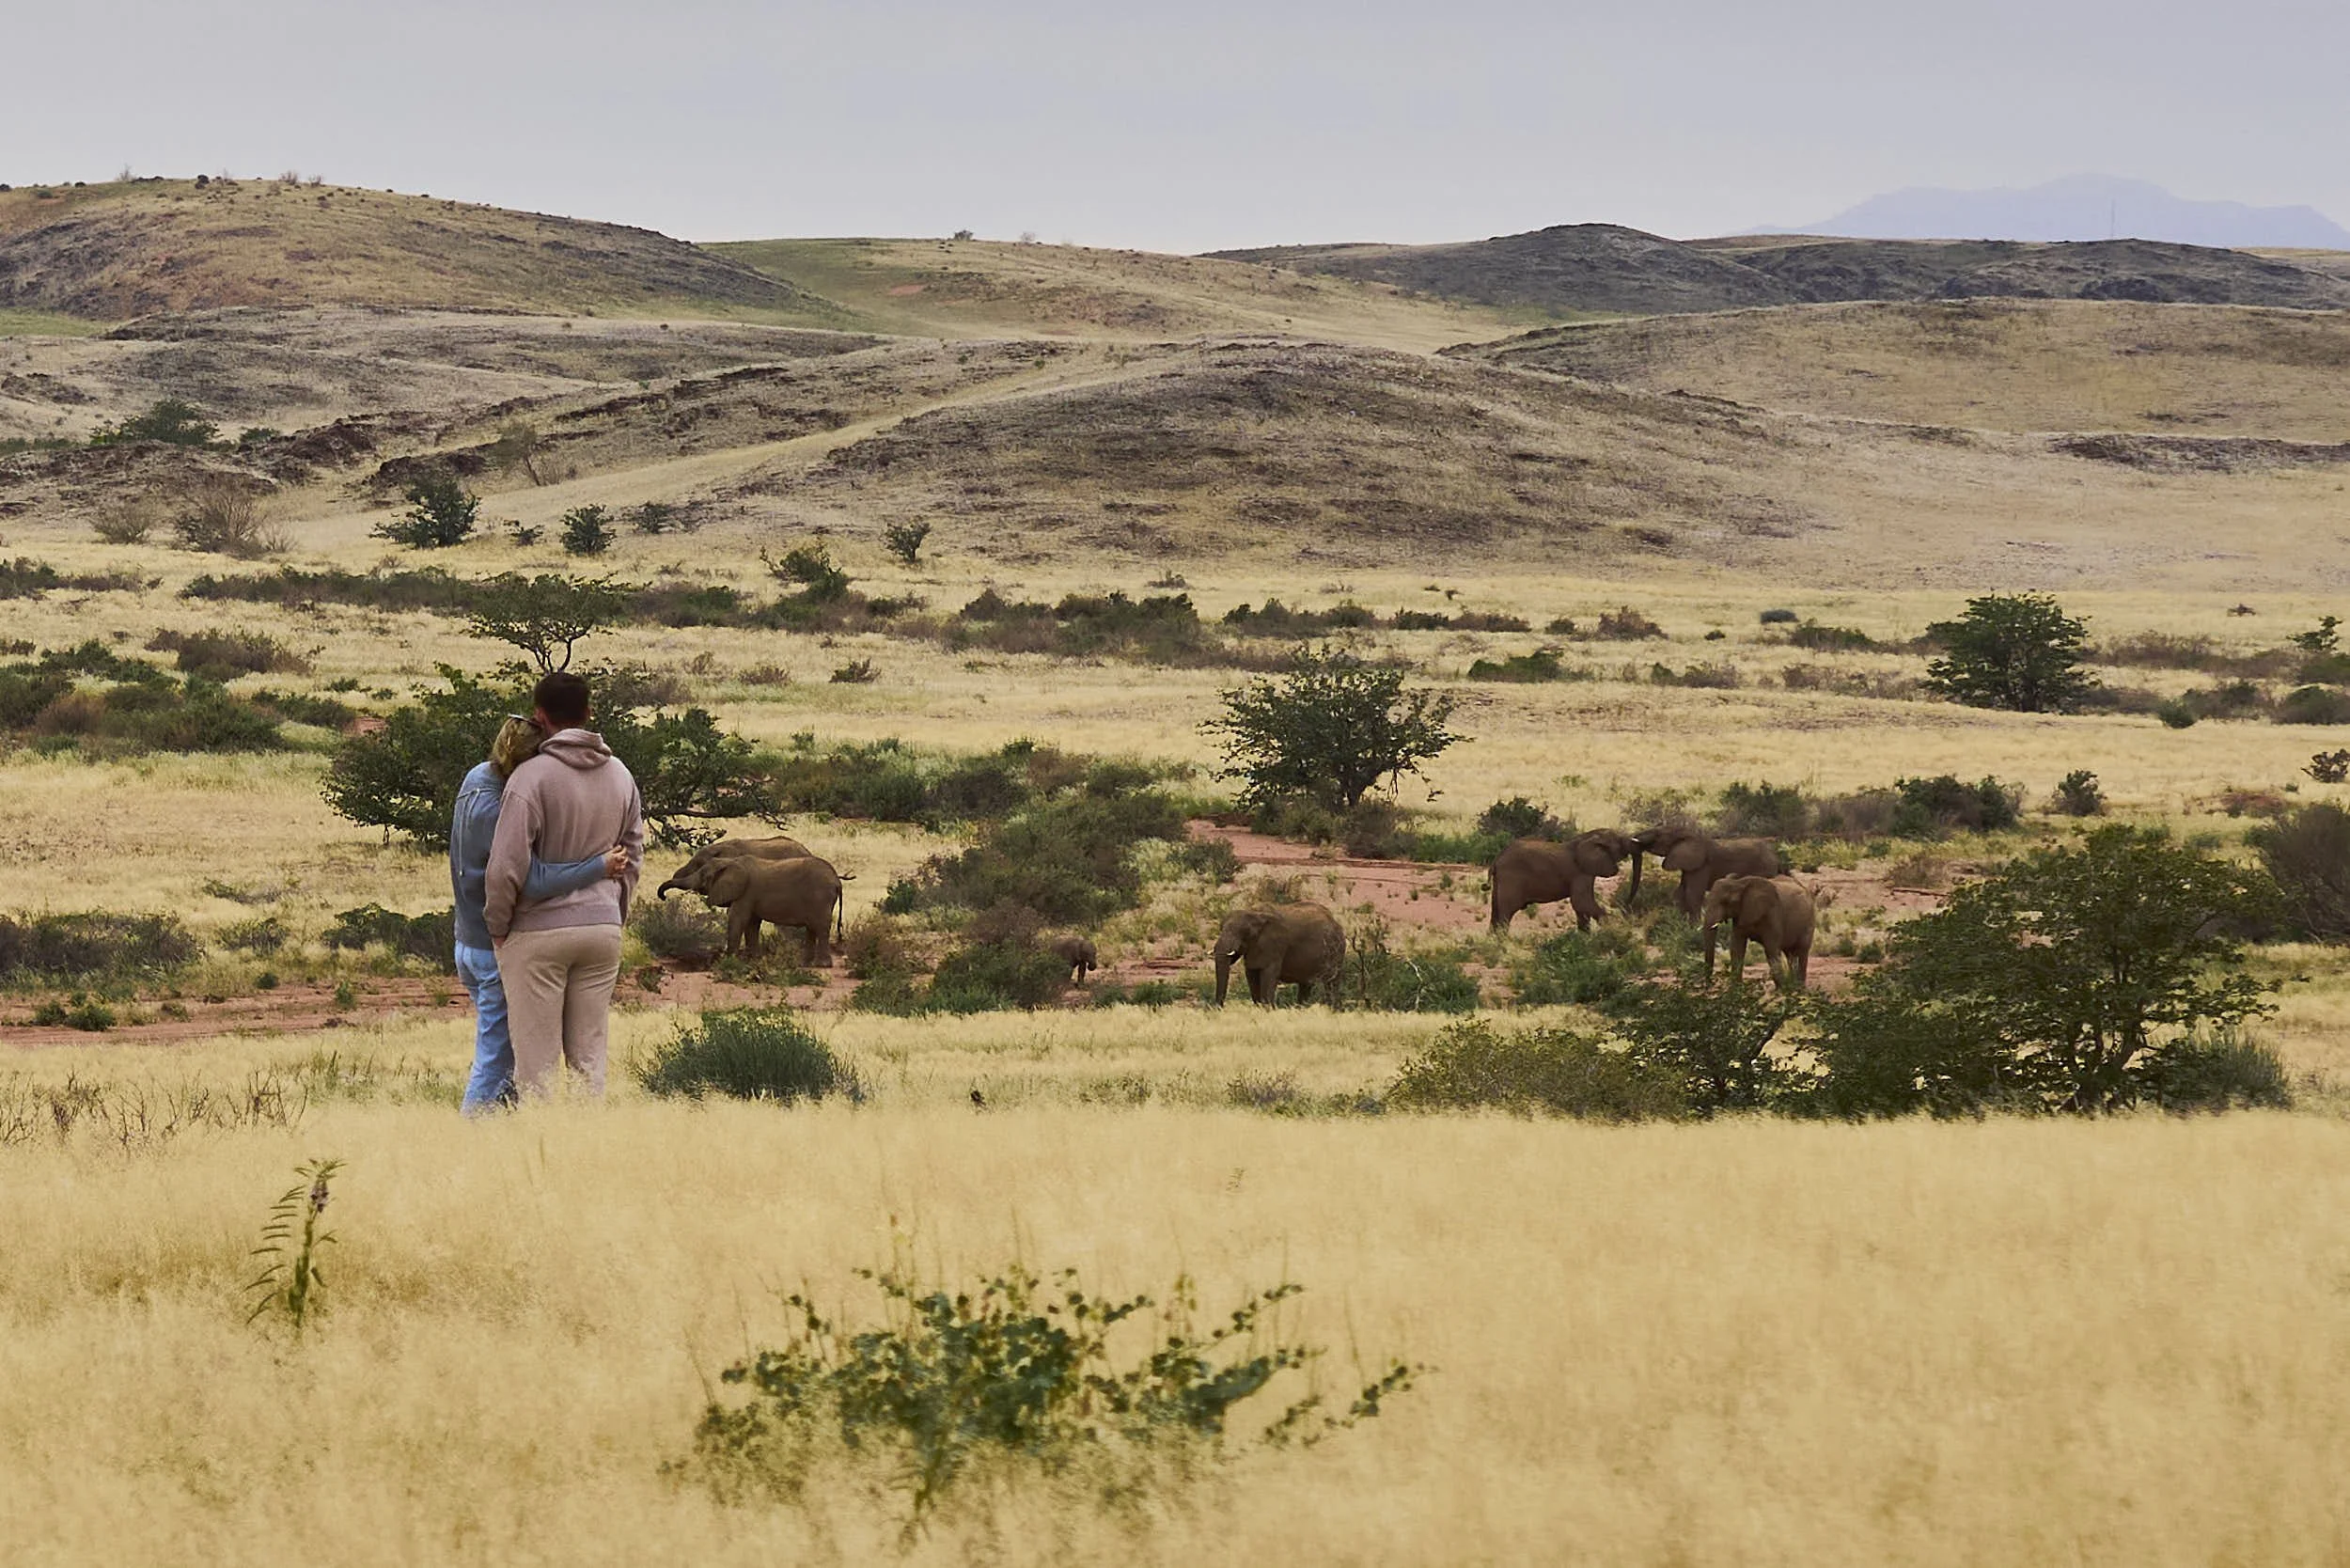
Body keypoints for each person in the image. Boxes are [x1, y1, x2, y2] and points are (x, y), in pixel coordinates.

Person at [450, 716, 627, 1115]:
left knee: (512, 1053)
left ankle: (506, 1137)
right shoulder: (503, 808)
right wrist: (597, 866)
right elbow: (528, 879)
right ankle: (469, 1138)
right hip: (494, 943)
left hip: (466, 940)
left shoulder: (475, 779)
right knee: (498, 1057)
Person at [484, 670, 644, 1100]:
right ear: (589, 713)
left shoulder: (529, 778)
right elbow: (633, 856)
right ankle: (585, 1153)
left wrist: (498, 926)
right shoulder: (621, 775)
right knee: (589, 1062)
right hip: (602, 930)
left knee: (537, 1069)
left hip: (537, 934)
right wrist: (614, 912)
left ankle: (544, 1153)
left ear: (540, 716)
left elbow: (504, 868)